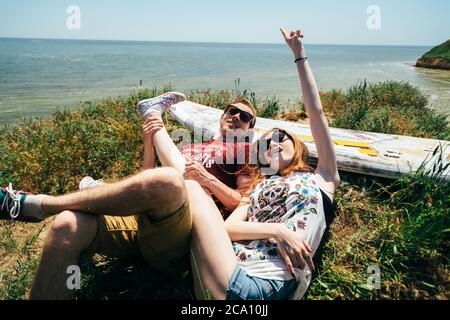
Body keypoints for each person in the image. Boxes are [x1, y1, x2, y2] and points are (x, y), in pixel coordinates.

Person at [0, 93, 256, 300]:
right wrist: (148, 142)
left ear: (250, 127)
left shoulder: (245, 151)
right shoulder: (191, 146)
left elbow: (242, 202)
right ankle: (62, 204)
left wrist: (206, 179)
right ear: (222, 115)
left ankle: (43, 204)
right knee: (66, 226)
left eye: (244, 117)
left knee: (168, 180)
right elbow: (146, 179)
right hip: (146, 219)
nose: (236, 117)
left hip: (184, 233)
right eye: (232, 111)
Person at [184, 27, 340, 300]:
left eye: (281, 138)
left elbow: (316, 113)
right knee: (191, 188)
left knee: (192, 189)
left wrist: (299, 55)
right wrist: (276, 231)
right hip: (228, 269)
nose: (274, 144)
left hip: (266, 283)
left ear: (299, 147)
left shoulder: (322, 177)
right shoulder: (258, 186)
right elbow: (227, 229)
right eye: (266, 144)